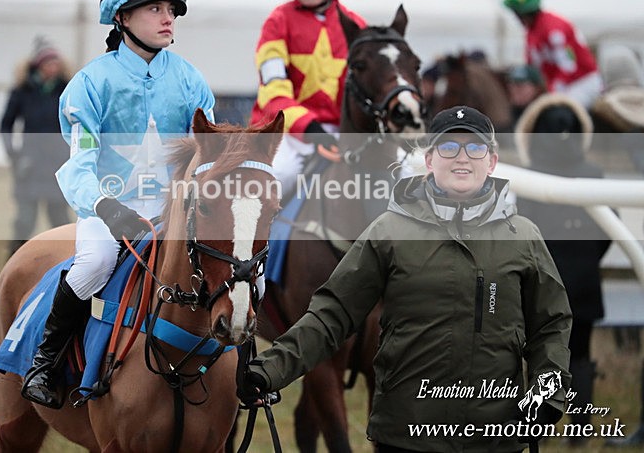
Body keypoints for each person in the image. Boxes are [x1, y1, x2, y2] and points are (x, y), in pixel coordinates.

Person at [239, 105, 573, 451]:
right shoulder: (388, 231)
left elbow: (551, 323)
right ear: (429, 160)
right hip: (406, 436)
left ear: (491, 161)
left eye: (474, 148)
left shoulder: (523, 236)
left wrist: (547, 388)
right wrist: (268, 370)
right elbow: (331, 315)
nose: (462, 158)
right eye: (448, 147)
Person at [21, 0, 215, 409]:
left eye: (172, 10)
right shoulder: (90, 84)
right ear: (123, 16)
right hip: (108, 216)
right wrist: (108, 209)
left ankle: (241, 371)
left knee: (232, 268)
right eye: (155, 9)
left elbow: (207, 157)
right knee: (92, 264)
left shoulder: (191, 81)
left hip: (173, 216)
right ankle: (44, 363)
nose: (168, 18)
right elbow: (78, 166)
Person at [514, 93, 611, 445]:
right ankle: (581, 429)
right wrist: (586, 261)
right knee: (581, 352)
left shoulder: (528, 178)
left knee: (539, 351)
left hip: (541, 281)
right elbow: (609, 232)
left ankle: (537, 425)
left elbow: (521, 232)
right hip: (585, 279)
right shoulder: (594, 174)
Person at [249, 0, 366, 194]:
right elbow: (272, 92)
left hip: (344, 132)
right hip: (286, 134)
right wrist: (311, 129)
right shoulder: (276, 23)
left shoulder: (357, 26)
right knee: (274, 180)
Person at [0, 36, 72, 257]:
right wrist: (14, 155)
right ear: (39, 66)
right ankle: (13, 262)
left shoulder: (67, 89)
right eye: (49, 63)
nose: (54, 67)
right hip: (29, 167)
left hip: (58, 166)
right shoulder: (22, 91)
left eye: (56, 63)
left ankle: (66, 264)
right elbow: (6, 125)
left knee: (60, 221)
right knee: (24, 221)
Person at [502, 0, 603, 111]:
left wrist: (550, 92)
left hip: (581, 83)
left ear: (526, 13)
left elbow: (568, 66)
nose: (516, 18)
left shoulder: (554, 30)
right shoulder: (531, 32)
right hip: (558, 86)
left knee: (558, 113)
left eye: (516, 13)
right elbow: (532, 67)